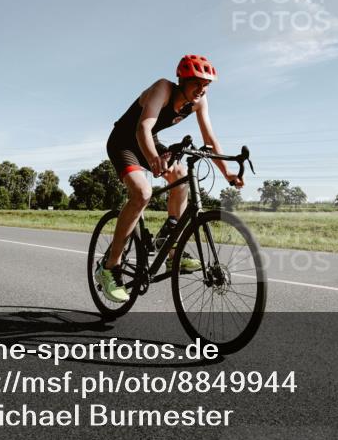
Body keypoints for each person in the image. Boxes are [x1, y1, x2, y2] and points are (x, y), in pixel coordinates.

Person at [98, 54, 244, 303]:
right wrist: (153, 158)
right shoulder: (163, 88)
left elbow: (209, 139)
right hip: (124, 142)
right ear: (182, 81)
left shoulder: (199, 101)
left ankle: (171, 249)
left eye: (206, 85)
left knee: (181, 177)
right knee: (142, 193)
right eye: (196, 83)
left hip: (149, 141)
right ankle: (110, 267)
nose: (201, 89)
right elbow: (143, 128)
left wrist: (227, 172)